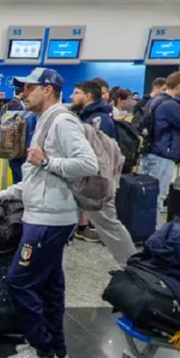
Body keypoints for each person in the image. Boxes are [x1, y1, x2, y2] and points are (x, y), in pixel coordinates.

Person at [0, 67, 98, 358]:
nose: (23, 93)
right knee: (49, 286)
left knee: (18, 281)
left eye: (28, 88)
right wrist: (4, 194)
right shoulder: (43, 121)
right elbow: (36, 176)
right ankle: (56, 348)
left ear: (47, 89)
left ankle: (41, 349)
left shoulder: (61, 121)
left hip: (49, 220)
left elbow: (88, 163)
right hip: (44, 214)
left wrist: (47, 160)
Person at [68, 81, 137, 263]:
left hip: (97, 182)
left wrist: (102, 185)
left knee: (109, 225)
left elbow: (102, 156)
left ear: (88, 96)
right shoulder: (85, 117)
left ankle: (133, 265)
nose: (71, 97)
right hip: (84, 180)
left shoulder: (99, 120)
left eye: (76, 93)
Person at [140, 71, 180, 219]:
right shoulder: (170, 105)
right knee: (158, 196)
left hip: (151, 152)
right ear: (178, 86)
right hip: (162, 155)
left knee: (147, 195)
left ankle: (143, 229)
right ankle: (151, 232)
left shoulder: (156, 100)